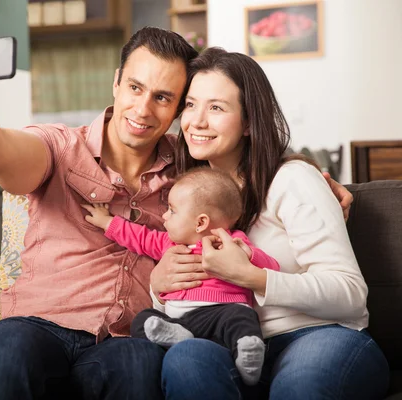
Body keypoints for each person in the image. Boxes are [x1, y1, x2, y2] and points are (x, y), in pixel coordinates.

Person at [0, 25, 354, 399]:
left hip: (127, 337)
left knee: (140, 370)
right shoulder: (58, 146)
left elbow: (246, 161)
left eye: (165, 98)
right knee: (3, 358)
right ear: (116, 82)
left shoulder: (188, 170)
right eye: (135, 88)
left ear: (175, 107)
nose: (144, 110)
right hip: (39, 325)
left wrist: (315, 177)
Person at [150, 47, 390, 399]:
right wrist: (158, 288)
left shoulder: (292, 180)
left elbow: (350, 294)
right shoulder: (188, 195)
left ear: (248, 122)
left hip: (319, 335)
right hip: (235, 346)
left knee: (299, 386)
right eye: (190, 104)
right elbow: (182, 299)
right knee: (186, 359)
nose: (196, 121)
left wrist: (250, 276)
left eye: (216, 107)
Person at [82, 166, 280, 385]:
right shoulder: (168, 243)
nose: (164, 215)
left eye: (172, 210)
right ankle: (176, 337)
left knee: (242, 317)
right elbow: (140, 237)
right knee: (142, 319)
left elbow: (272, 267)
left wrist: (249, 254)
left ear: (200, 223)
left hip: (222, 312)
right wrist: (107, 222)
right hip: (179, 320)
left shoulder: (233, 242)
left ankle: (248, 352)